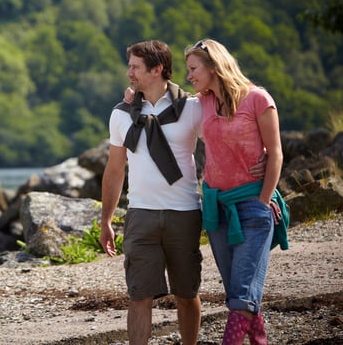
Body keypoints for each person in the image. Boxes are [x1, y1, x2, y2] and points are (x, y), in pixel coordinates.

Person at [184, 38, 289, 345]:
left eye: (193, 69)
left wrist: (264, 199)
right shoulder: (203, 102)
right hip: (217, 210)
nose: (189, 76)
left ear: (213, 67)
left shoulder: (258, 99)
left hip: (253, 206)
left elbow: (276, 153)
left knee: (241, 295)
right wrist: (133, 94)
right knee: (238, 292)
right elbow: (164, 96)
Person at [99, 40, 203, 345]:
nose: (129, 72)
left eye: (135, 67)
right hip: (140, 214)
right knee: (139, 295)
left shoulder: (192, 108)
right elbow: (114, 169)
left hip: (184, 213)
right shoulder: (122, 113)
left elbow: (220, 149)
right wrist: (106, 220)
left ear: (157, 69)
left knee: (186, 293)